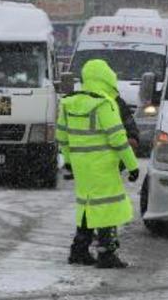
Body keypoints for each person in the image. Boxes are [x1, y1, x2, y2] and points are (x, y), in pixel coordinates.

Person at [57, 59, 141, 269]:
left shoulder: (69, 102)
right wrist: (132, 166)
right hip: (103, 165)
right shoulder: (105, 103)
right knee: (107, 207)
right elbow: (118, 139)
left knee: (88, 206)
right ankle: (106, 253)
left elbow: (62, 137)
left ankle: (79, 249)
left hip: (82, 166)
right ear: (107, 77)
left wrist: (68, 162)